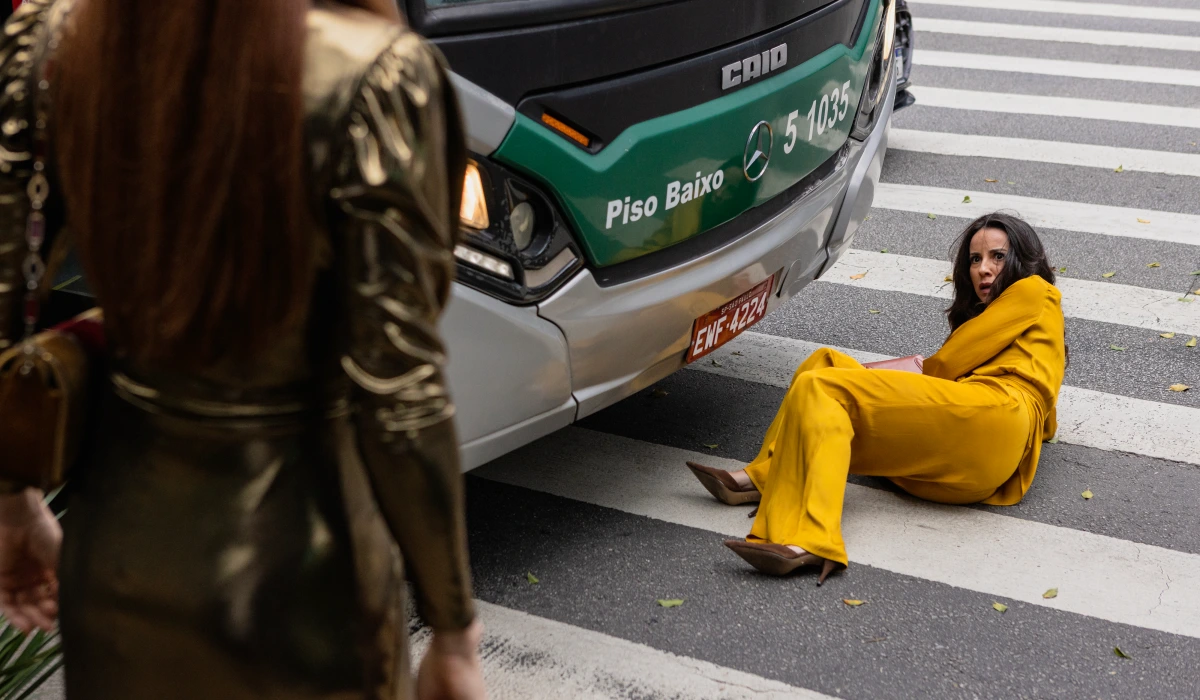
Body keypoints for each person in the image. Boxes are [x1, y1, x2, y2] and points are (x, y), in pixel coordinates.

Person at [0, 1, 487, 699]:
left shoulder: (54, 36)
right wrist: (453, 629)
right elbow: (401, 395)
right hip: (309, 575)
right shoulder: (374, 73)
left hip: (118, 553)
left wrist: (13, 502)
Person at [687, 212, 1065, 582]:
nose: (984, 268)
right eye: (975, 259)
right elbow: (1046, 424)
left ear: (1024, 259)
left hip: (991, 415)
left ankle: (811, 539)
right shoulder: (1034, 330)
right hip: (971, 458)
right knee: (823, 363)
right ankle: (766, 475)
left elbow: (943, 367)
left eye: (998, 256)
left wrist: (877, 378)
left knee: (823, 388)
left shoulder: (1034, 289)